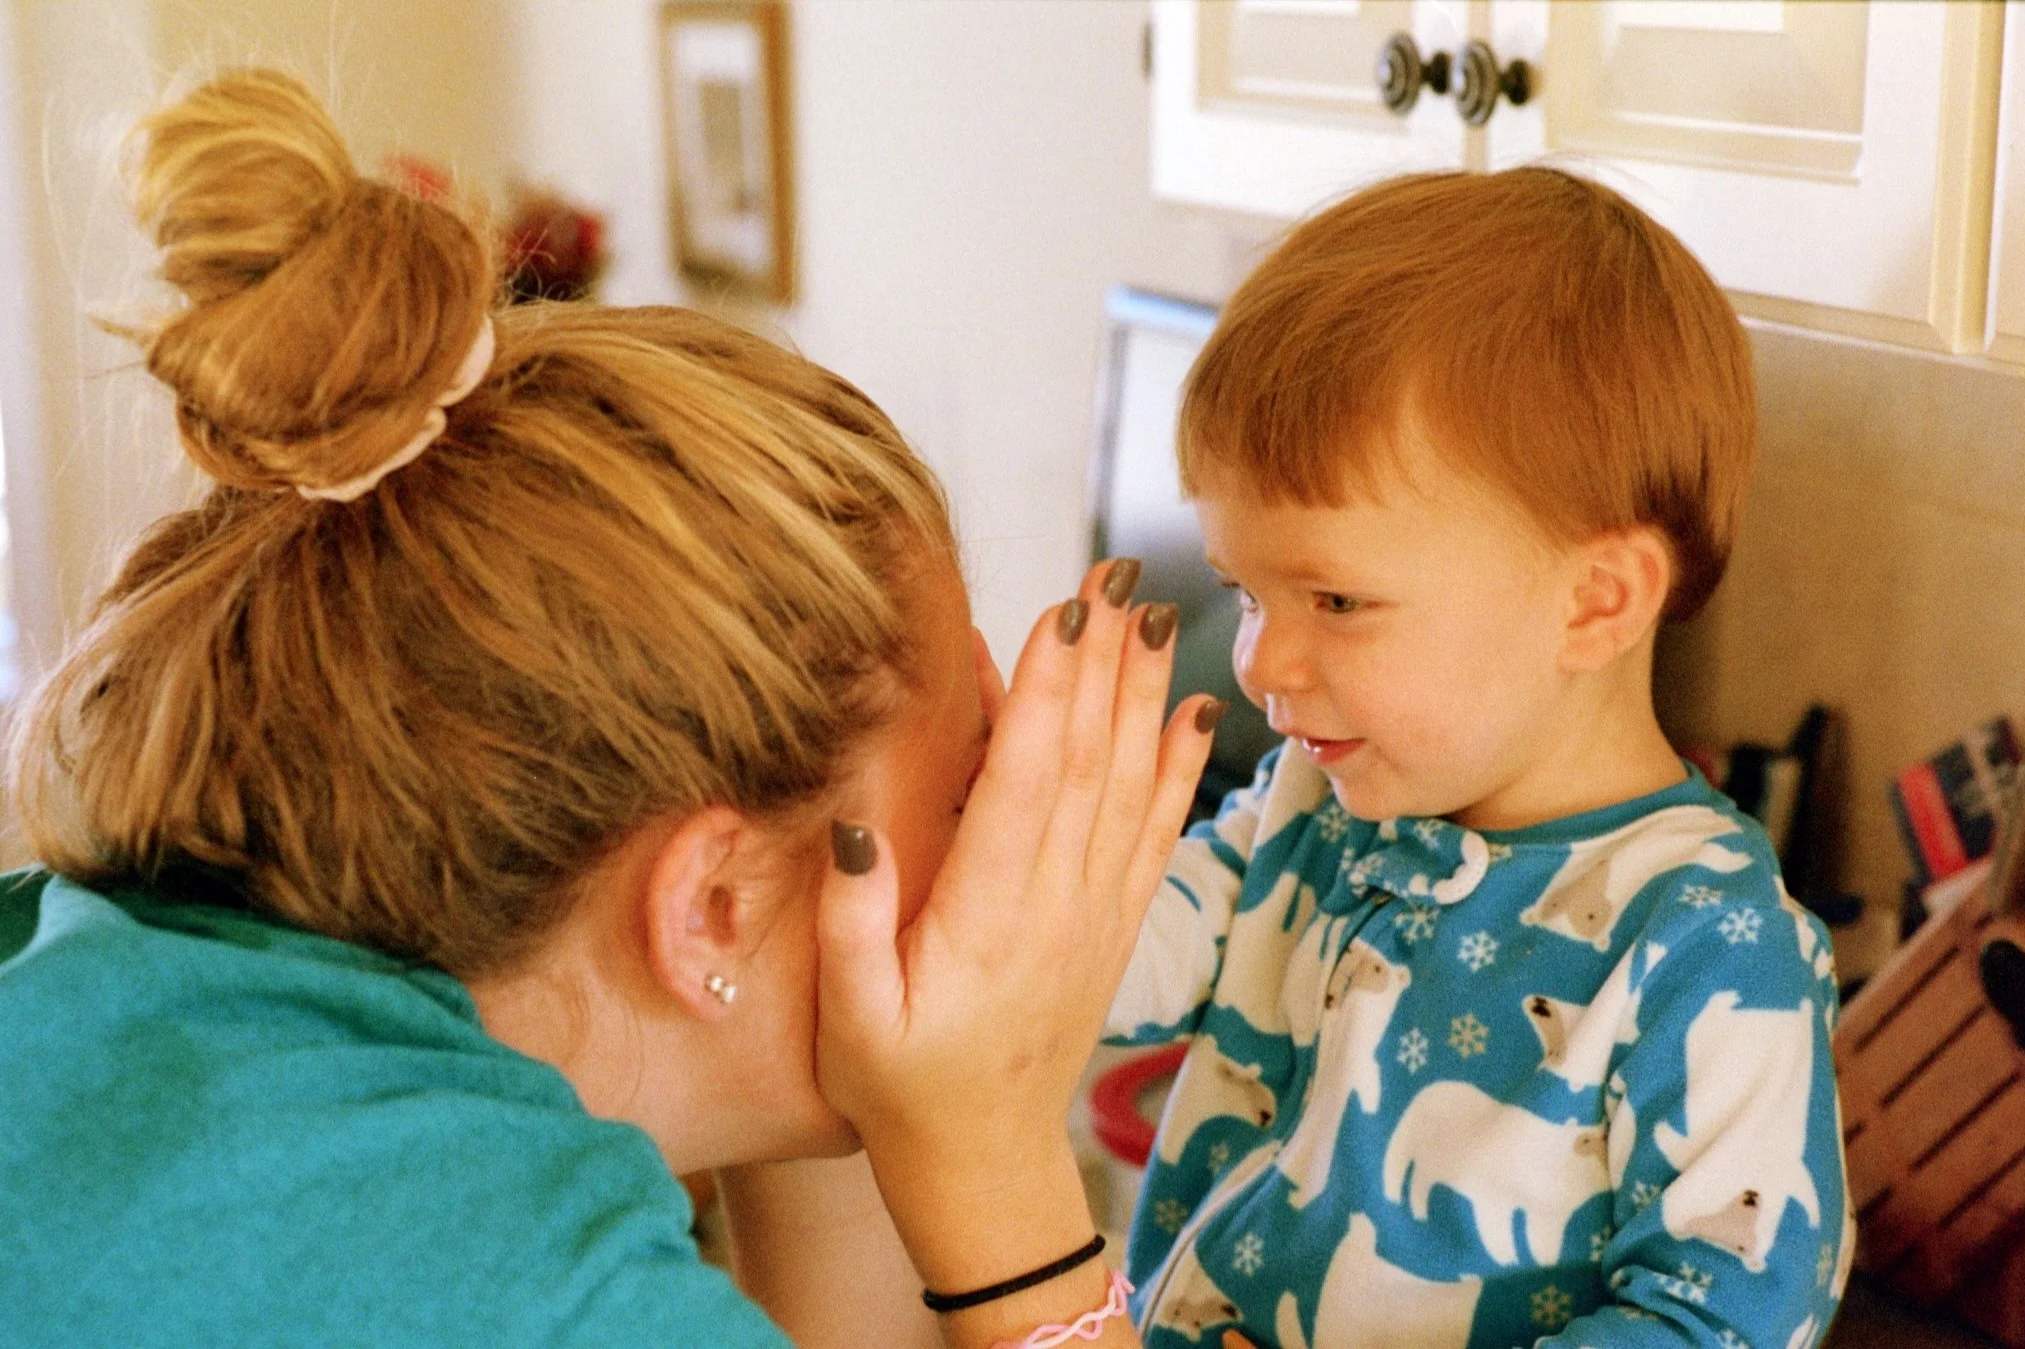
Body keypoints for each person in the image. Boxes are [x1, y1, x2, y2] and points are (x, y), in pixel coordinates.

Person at [0, 70, 1220, 1349]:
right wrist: (1002, 1170)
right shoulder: (522, 1287)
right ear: (711, 905)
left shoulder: (98, 976)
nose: (993, 852)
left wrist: (877, 1094)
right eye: (969, 795)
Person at [1104, 169, 1854, 1349]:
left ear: (1595, 602)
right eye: (1248, 590)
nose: (1260, 662)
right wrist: (1015, 839)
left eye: (1338, 598)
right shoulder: (1311, 805)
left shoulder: (1710, 947)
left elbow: (1716, 1319)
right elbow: (1084, 968)